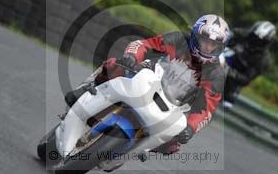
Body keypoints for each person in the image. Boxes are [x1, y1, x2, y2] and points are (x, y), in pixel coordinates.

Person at [65, 14, 231, 155]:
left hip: (173, 106)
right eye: (204, 41)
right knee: (115, 65)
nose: (208, 47)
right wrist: (132, 56)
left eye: (214, 45)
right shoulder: (178, 39)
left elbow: (206, 109)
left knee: (173, 145)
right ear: (195, 35)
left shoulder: (215, 73)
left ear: (220, 48)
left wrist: (191, 128)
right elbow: (145, 45)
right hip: (147, 77)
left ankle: (132, 152)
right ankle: (85, 89)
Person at [221, 21, 276, 106]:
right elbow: (228, 35)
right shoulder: (243, 34)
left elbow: (246, 79)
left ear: (266, 43)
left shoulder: (262, 60)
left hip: (230, 86)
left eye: (259, 40)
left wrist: (228, 70)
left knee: (226, 102)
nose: (254, 40)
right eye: (254, 36)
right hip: (221, 63)